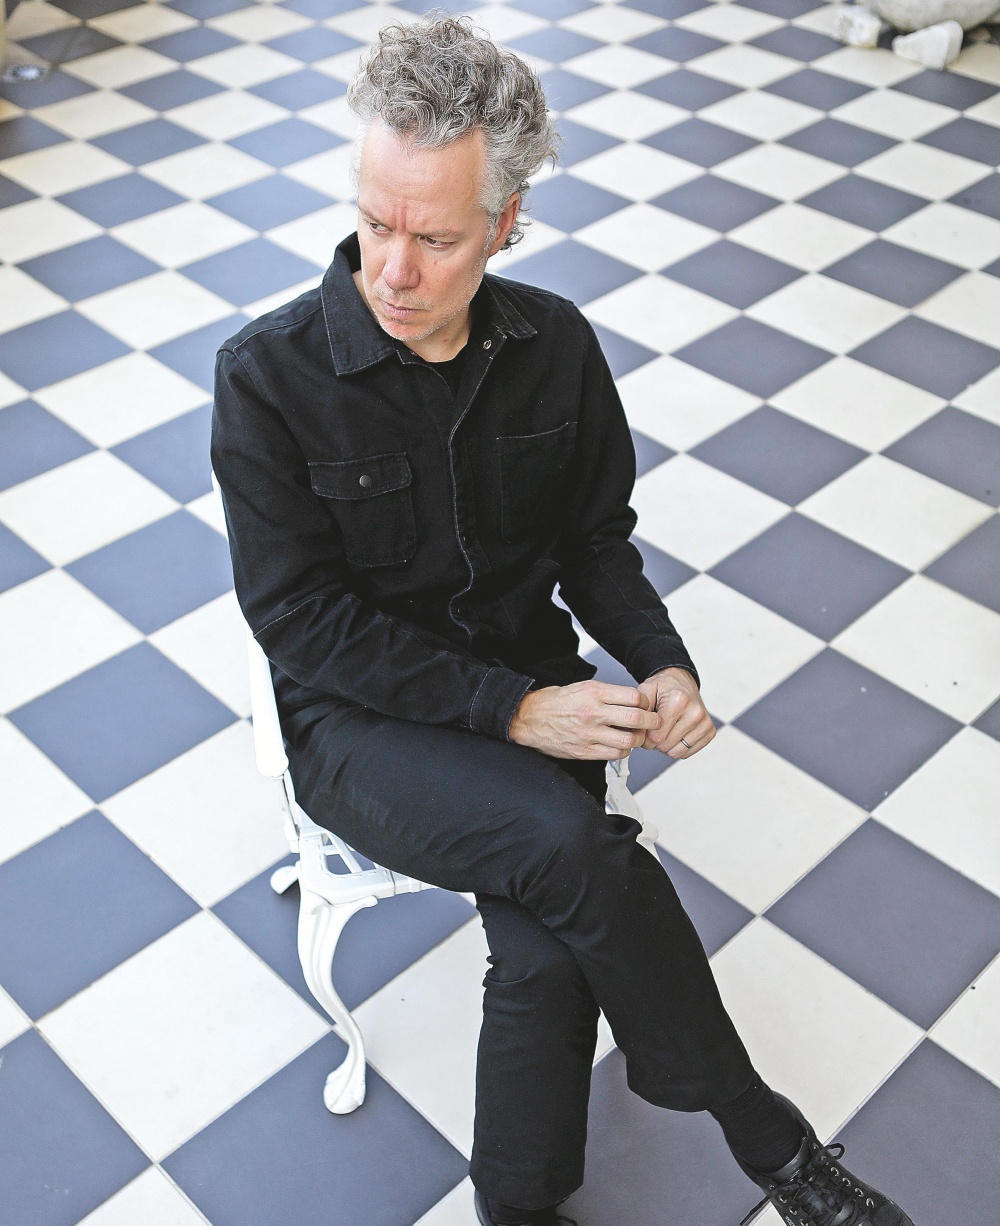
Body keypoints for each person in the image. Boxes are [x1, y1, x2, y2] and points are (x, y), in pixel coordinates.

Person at [211, 17, 915, 1226]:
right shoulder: (266, 376)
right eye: (374, 222)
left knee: (546, 941)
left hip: (531, 686)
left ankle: (517, 1208)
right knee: (572, 846)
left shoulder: (557, 347)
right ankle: (772, 1142)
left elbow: (594, 541)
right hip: (361, 725)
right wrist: (515, 710)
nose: (391, 270)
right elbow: (302, 622)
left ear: (506, 223)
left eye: (434, 237)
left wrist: (659, 659)